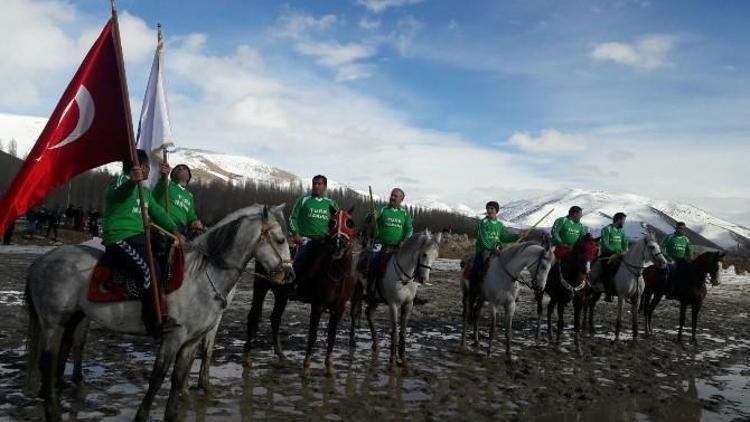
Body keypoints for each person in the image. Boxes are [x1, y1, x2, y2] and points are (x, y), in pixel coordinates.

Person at [102, 149, 181, 337]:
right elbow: (120, 194)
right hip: (120, 237)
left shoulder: (145, 191)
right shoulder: (119, 182)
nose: (148, 171)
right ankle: (153, 321)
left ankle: (162, 304)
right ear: (142, 167)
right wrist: (131, 182)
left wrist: (174, 230)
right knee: (150, 270)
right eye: (147, 168)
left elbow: (158, 213)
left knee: (164, 260)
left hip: (139, 237)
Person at [288, 175, 339, 298]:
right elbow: (292, 218)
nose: (316, 186)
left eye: (319, 184)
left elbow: (339, 221)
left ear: (325, 186)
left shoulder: (331, 203)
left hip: (324, 241)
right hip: (306, 240)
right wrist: (296, 234)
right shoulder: (303, 200)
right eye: (314, 183)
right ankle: (292, 287)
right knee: (300, 261)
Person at [366, 188, 414, 298]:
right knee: (373, 260)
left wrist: (405, 241)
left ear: (401, 199)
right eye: (392, 195)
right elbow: (368, 220)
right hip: (381, 243)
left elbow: (410, 229)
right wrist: (371, 216)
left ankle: (411, 293)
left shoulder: (405, 214)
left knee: (411, 264)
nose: (392, 197)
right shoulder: (382, 209)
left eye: (395, 196)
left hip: (398, 246)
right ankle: (371, 287)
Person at [470, 201, 518, 293]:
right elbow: (482, 238)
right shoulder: (483, 223)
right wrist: (492, 249)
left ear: (496, 211)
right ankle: (474, 290)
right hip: (484, 250)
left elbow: (504, 237)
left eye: (492, 208)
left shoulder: (499, 225)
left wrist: (517, 236)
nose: (489, 210)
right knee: (477, 269)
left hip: (498, 250)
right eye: (488, 208)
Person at [153, 163, 204, 238]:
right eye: (178, 168)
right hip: (162, 224)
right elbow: (155, 195)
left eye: (184, 168)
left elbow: (190, 215)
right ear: (172, 175)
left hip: (180, 229)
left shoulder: (189, 196)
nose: (181, 168)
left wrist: (195, 221)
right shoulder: (167, 184)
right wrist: (163, 178)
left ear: (189, 176)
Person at [599, 212, 629, 302]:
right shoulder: (606, 229)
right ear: (619, 220)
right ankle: (608, 293)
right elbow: (605, 244)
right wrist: (615, 251)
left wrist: (625, 251)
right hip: (608, 255)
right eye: (623, 220)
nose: (624, 222)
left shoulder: (622, 231)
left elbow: (625, 243)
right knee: (609, 271)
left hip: (621, 255)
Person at [662, 222, 694, 299]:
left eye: (682, 228)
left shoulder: (686, 239)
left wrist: (690, 257)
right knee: (673, 272)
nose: (680, 230)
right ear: (676, 228)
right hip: (671, 259)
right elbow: (662, 247)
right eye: (679, 228)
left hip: (682, 260)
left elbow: (689, 251)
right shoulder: (669, 237)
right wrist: (666, 256)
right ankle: (669, 292)